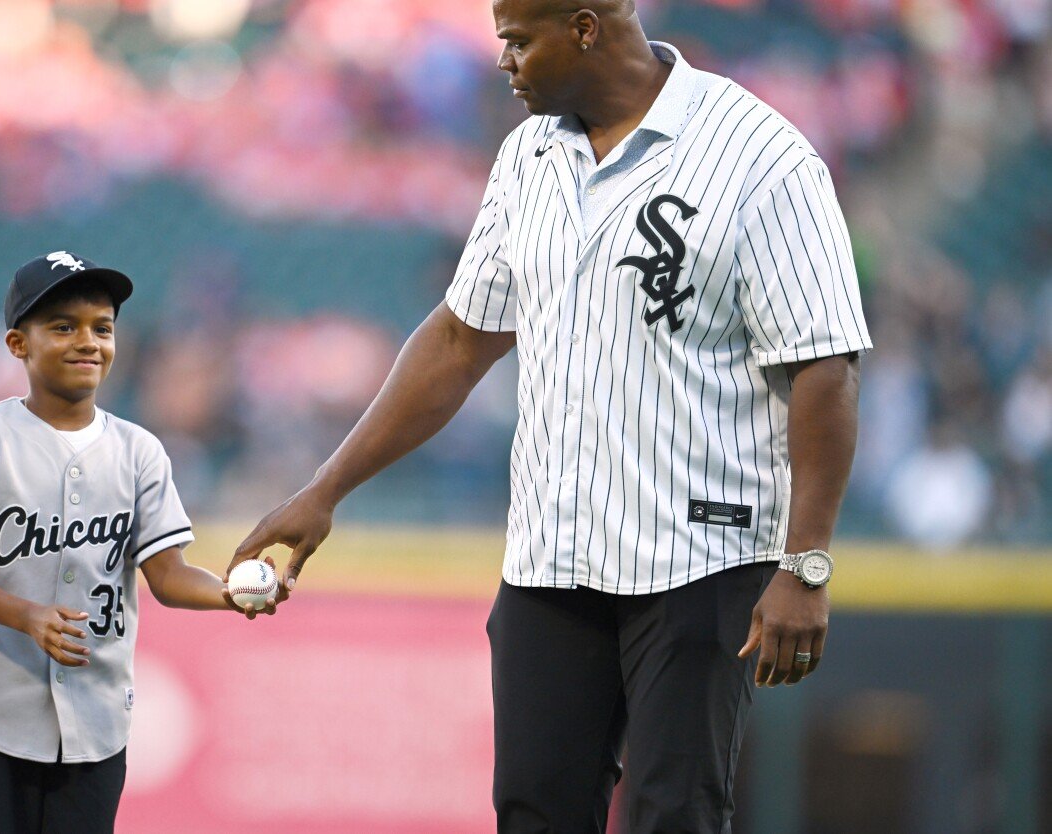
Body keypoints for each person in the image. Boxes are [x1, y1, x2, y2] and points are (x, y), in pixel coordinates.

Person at [229, 0, 871, 830]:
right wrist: (325, 489)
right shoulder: (528, 153)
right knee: (532, 811)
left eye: (516, 41)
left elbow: (824, 369)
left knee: (670, 814)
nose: (502, 61)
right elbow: (461, 338)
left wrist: (805, 564)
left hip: (699, 559)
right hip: (550, 562)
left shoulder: (760, 156)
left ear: (584, 27)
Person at [0, 251, 273, 834]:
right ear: (18, 344)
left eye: (102, 328)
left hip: (96, 716)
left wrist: (228, 594)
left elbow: (166, 575)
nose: (88, 341)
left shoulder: (139, 452)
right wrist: (27, 615)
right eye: (63, 326)